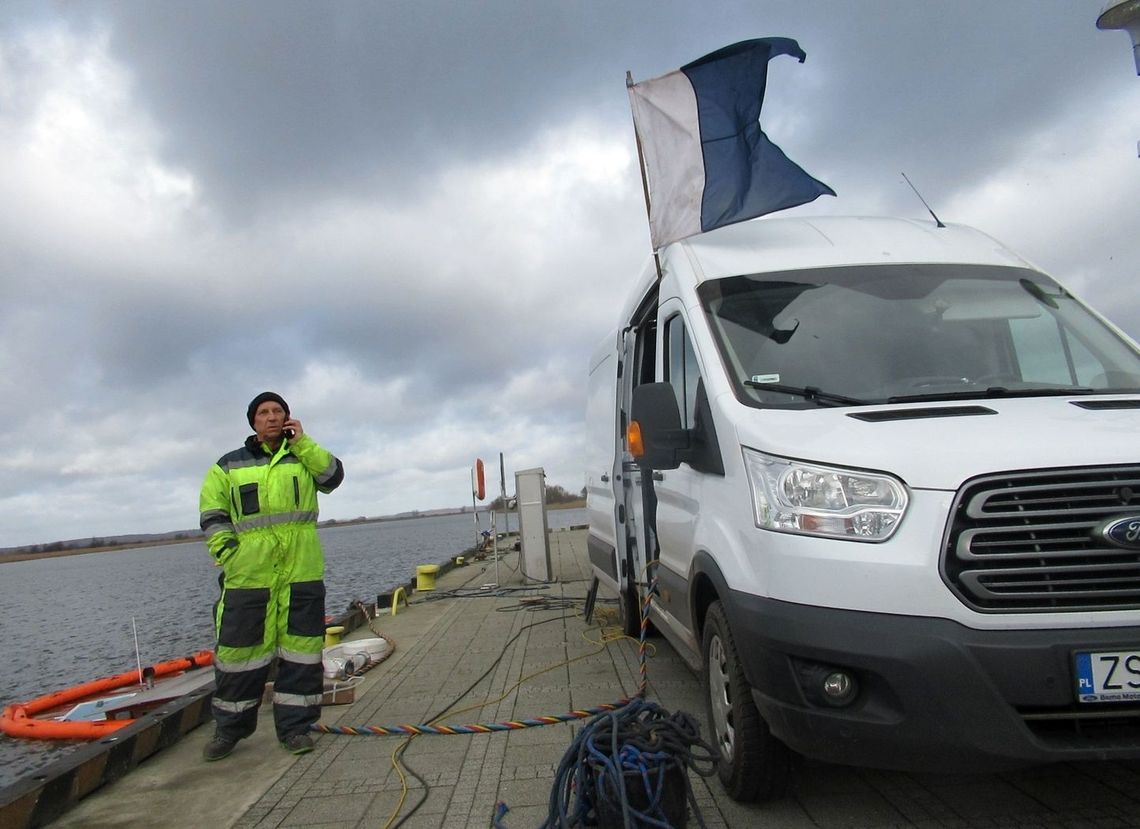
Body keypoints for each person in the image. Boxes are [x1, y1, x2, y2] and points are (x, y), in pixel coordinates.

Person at [198, 391, 345, 761]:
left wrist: (304, 442)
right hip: (249, 578)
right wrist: (229, 556)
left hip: (301, 574)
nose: (272, 417)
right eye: (263, 412)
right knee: (237, 657)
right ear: (253, 422)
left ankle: (296, 729)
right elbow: (213, 516)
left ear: (288, 419)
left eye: (278, 411)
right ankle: (229, 731)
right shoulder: (228, 466)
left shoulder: (304, 457)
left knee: (302, 656)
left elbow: (333, 476)